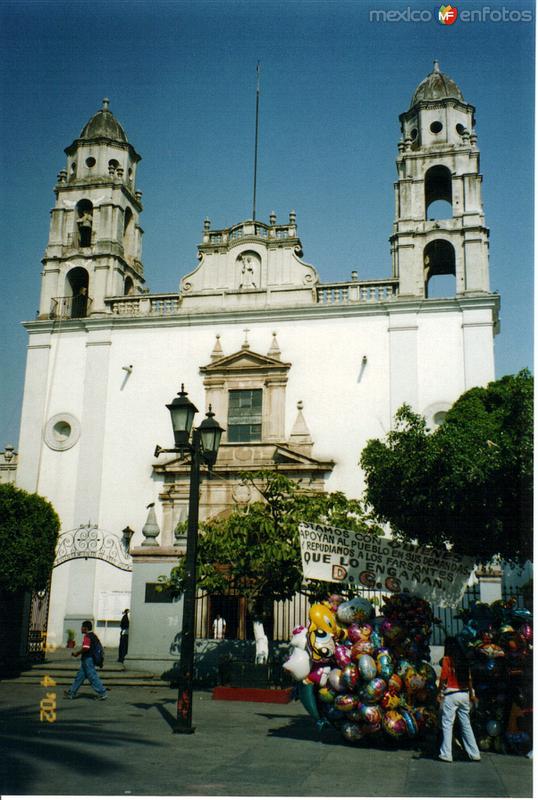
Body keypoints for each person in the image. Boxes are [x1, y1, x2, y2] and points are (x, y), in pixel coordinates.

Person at [437, 636, 481, 762]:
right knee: (466, 724)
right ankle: (474, 753)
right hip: (465, 694)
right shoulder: (464, 660)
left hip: (451, 694)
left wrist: (439, 692)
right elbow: (470, 679)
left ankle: (446, 753)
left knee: (447, 724)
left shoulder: (447, 659)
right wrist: (472, 694)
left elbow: (443, 677)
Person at [63, 620, 108, 700]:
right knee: (79, 677)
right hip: (88, 659)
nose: (81, 629)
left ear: (85, 628)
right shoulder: (93, 635)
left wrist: (77, 653)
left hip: (88, 660)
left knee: (92, 677)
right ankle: (71, 693)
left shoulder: (87, 636)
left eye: (82, 627)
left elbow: (86, 648)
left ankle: (102, 693)